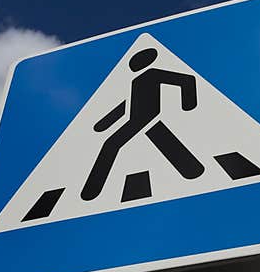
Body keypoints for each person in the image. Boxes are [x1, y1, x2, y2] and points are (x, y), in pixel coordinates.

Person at [81, 46, 205, 201]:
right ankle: (194, 170)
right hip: (140, 118)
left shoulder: (153, 73)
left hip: (145, 117)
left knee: (111, 145)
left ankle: (90, 192)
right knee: (164, 140)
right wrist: (104, 123)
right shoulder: (136, 81)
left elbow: (186, 80)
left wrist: (188, 103)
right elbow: (127, 105)